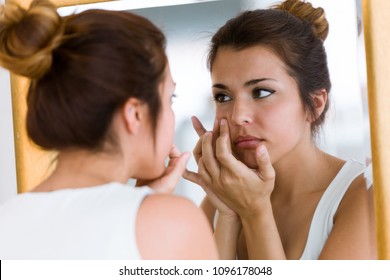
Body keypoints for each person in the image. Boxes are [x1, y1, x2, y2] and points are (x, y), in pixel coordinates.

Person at [0, 0, 218, 260]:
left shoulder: (8, 220)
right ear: (134, 114)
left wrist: (142, 204)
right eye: (170, 98)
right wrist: (146, 209)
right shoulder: (173, 223)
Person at [184, 0, 376, 260]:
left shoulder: (365, 197)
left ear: (315, 104)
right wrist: (228, 215)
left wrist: (255, 212)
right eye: (223, 97)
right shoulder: (221, 200)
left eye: (261, 92)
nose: (238, 116)